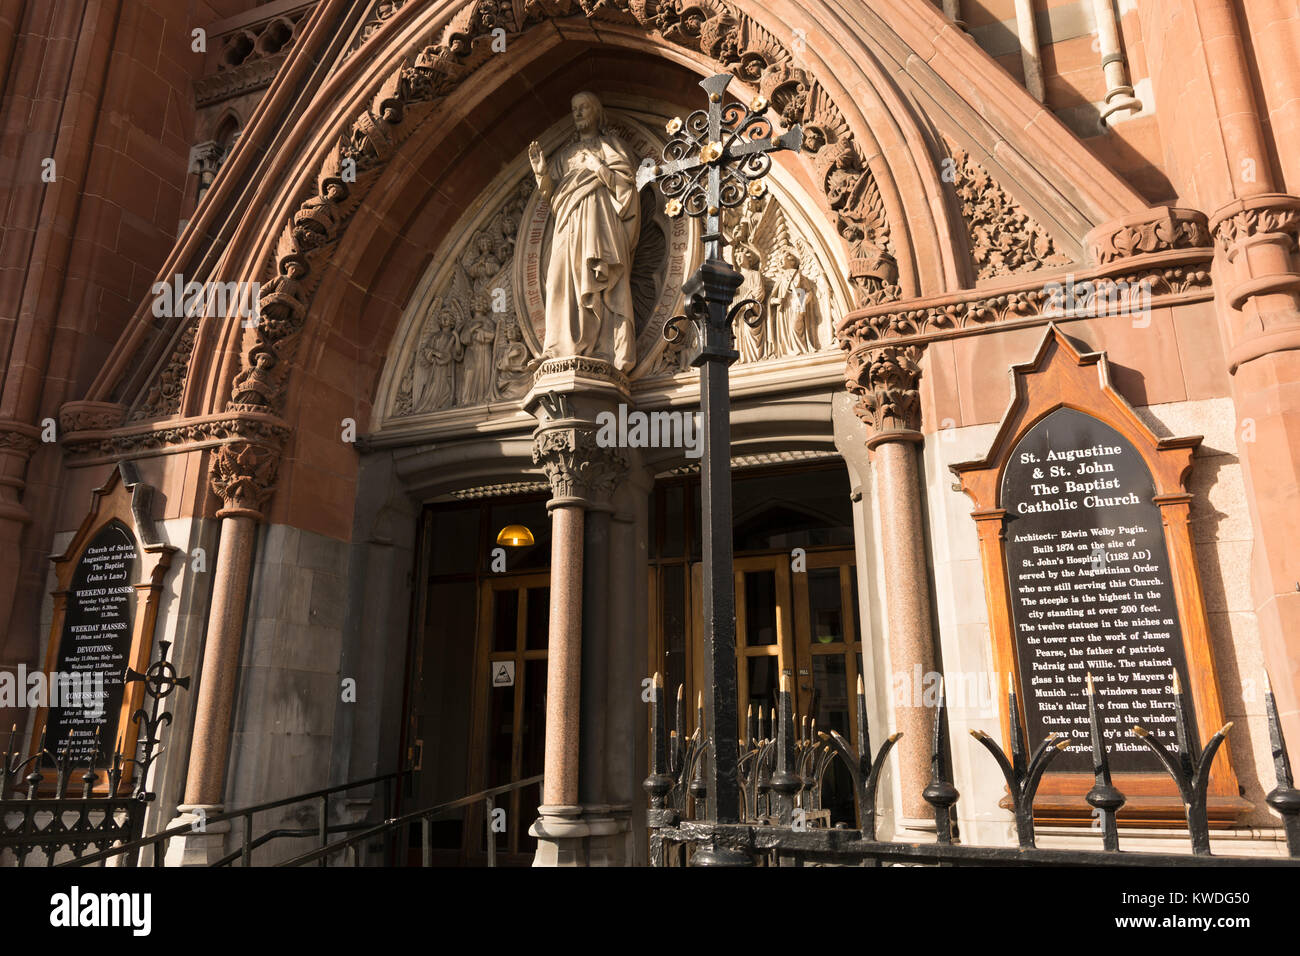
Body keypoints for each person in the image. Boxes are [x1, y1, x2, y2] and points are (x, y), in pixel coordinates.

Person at [528, 92, 641, 372]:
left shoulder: (611, 146)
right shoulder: (565, 155)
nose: (577, 114)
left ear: (596, 113)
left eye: (583, 108)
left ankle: (602, 348)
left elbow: (626, 189)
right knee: (558, 281)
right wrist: (542, 174)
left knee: (595, 278)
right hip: (568, 221)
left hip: (599, 220)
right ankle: (557, 349)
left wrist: (599, 168)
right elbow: (552, 196)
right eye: (574, 109)